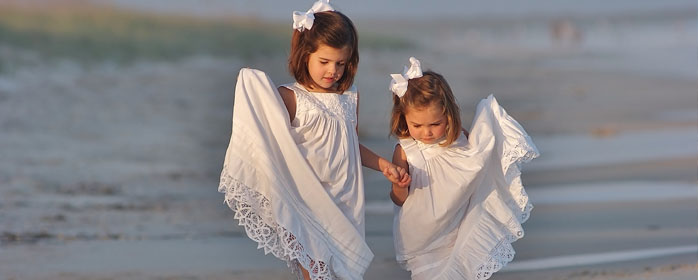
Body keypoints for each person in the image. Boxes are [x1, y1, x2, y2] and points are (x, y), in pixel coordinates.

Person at [218, 1, 409, 279]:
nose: (333, 70)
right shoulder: (291, 97)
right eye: (324, 61)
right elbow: (274, 140)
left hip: (345, 199)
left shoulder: (348, 97)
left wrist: (382, 165)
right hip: (308, 198)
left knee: (340, 270)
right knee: (315, 268)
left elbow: (349, 146)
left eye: (341, 64)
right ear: (304, 54)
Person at [385, 57, 539, 279]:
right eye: (417, 125)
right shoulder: (405, 150)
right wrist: (399, 184)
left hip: (458, 226)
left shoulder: (459, 138)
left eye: (435, 124)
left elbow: (475, 165)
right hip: (423, 235)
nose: (426, 132)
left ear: (448, 116)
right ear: (403, 118)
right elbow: (399, 199)